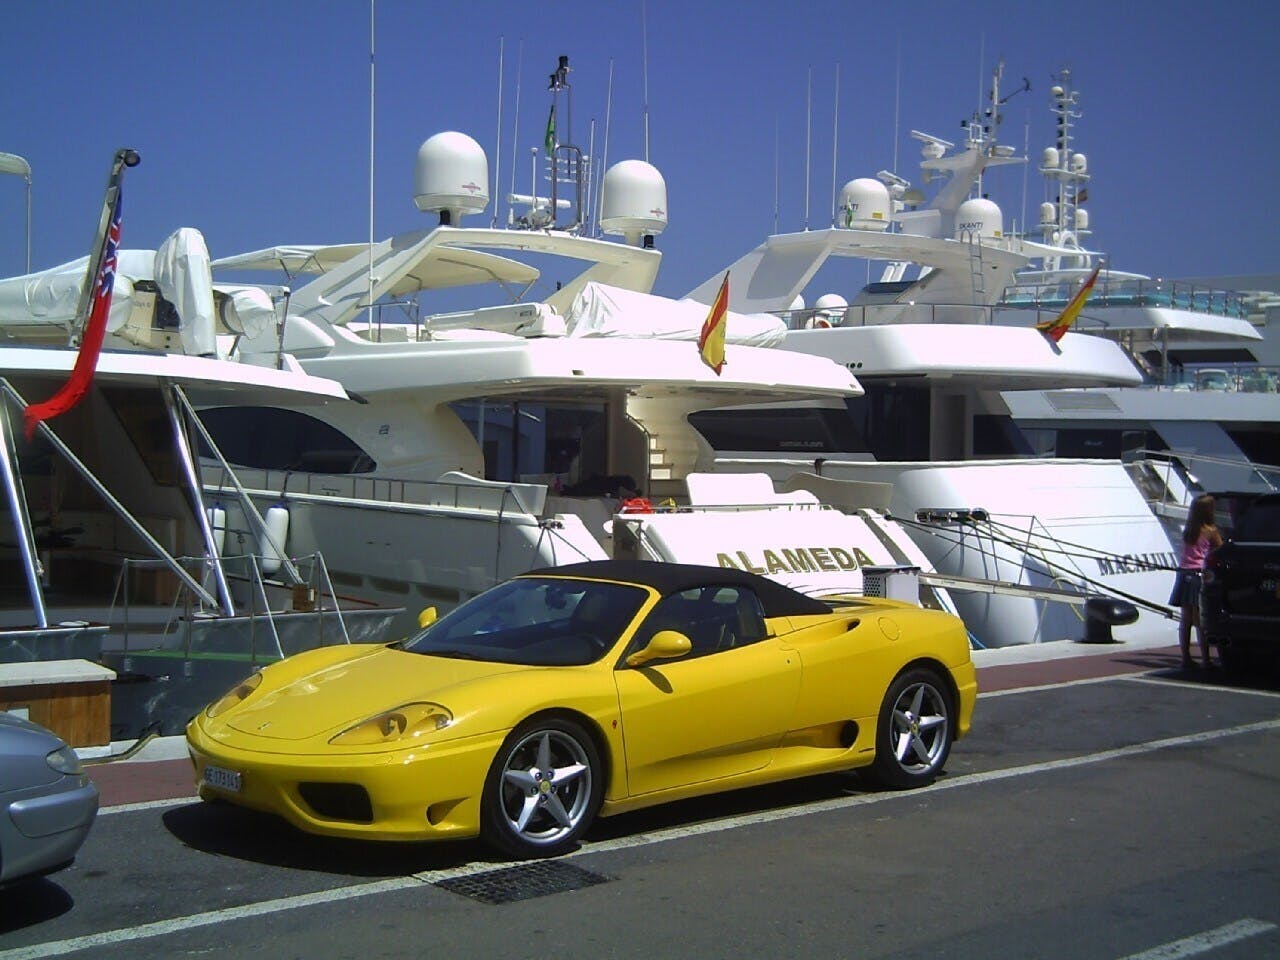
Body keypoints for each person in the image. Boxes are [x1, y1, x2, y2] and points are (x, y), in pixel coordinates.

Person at [1169, 494, 1223, 670]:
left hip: (1183, 574)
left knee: (1185, 620)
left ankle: (1186, 658)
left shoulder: (1189, 530)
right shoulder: (1211, 531)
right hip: (1199, 575)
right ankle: (1206, 660)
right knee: (1200, 620)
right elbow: (1220, 550)